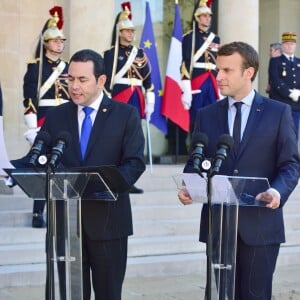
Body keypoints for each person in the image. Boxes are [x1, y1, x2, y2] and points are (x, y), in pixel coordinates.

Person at [10, 49, 145, 299]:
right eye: (70, 79)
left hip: (108, 223)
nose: (74, 86)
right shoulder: (56, 116)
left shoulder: (125, 115)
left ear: (101, 81)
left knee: (108, 294)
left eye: (82, 80)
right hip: (65, 223)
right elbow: (38, 156)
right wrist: (11, 169)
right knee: (67, 294)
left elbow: (134, 164)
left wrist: (102, 185)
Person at [178, 41, 300, 299]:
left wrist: (277, 192)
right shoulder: (206, 114)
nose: (218, 77)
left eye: (226, 70)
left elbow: (290, 164)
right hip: (219, 227)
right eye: (217, 69)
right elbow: (195, 162)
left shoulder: (278, 112)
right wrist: (190, 185)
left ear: (249, 73)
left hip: (261, 227)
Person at [22, 6, 70, 227]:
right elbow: (30, 98)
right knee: (43, 165)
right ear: (47, 43)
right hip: (45, 119)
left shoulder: (67, 67)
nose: (60, 44)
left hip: (66, 117)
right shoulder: (36, 67)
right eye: (56, 40)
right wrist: (32, 128)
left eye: (62, 41)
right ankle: (37, 212)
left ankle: (62, 208)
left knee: (66, 164)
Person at [103, 3, 154, 194]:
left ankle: (128, 179)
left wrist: (150, 101)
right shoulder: (110, 54)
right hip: (119, 97)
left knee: (133, 139)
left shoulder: (140, 53)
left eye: (132, 30)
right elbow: (105, 81)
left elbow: (148, 79)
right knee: (115, 138)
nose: (131, 33)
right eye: (127, 30)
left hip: (136, 98)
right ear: (119, 31)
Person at [181, 0, 220, 133]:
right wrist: (186, 88)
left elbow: (218, 63)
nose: (208, 18)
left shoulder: (215, 39)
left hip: (213, 81)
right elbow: (185, 63)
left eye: (209, 16)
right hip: (198, 81)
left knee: (214, 117)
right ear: (197, 17)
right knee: (197, 117)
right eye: (204, 16)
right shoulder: (189, 37)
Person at [269, 32, 300, 140]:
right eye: (287, 43)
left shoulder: (298, 62)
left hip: (296, 105)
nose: (289, 46)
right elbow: (275, 80)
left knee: (294, 134)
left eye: (292, 44)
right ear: (282, 45)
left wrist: (298, 93)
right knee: (281, 135)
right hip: (281, 103)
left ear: (295, 45)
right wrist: (290, 93)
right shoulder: (275, 61)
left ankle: (293, 157)